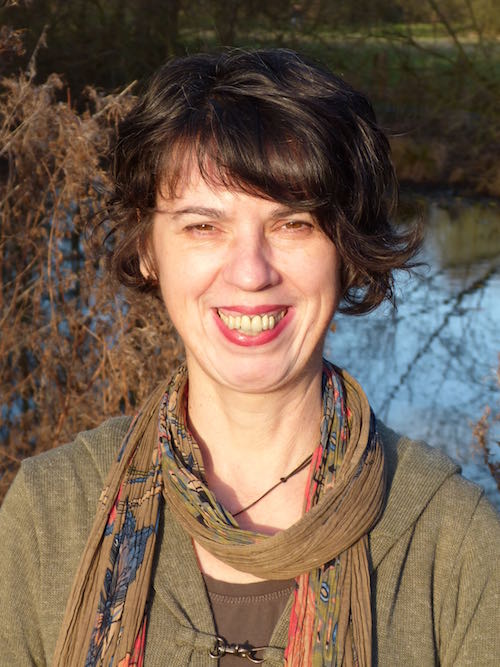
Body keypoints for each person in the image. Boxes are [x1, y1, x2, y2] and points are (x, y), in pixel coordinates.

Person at [0, 48, 498, 667]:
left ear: (346, 251)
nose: (251, 272)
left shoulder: (450, 541)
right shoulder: (49, 514)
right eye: (203, 226)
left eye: (293, 224)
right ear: (148, 249)